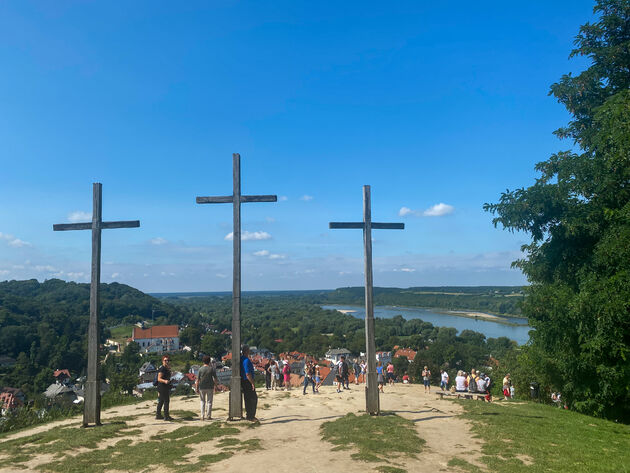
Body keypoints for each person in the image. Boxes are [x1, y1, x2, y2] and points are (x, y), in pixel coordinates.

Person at [195, 355, 219, 420]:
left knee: (202, 401)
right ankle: (208, 416)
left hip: (202, 387)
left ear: (203, 361)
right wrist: (216, 386)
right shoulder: (212, 369)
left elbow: (198, 380)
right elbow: (215, 379)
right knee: (209, 402)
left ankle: (202, 416)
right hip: (210, 387)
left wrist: (196, 388)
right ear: (209, 362)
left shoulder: (200, 369)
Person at [240, 345, 258, 421]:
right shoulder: (246, 360)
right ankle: (251, 416)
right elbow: (248, 374)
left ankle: (249, 415)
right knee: (253, 399)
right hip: (247, 381)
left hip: (243, 381)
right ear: (247, 351)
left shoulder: (241, 359)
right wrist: (252, 383)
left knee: (247, 399)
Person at [156, 354, 173, 421]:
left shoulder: (166, 368)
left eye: (168, 360)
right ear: (162, 361)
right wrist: (165, 381)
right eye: (165, 360)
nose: (167, 362)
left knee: (161, 401)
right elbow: (159, 379)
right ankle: (166, 416)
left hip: (164, 386)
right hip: (162, 387)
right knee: (166, 401)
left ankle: (158, 415)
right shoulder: (162, 369)